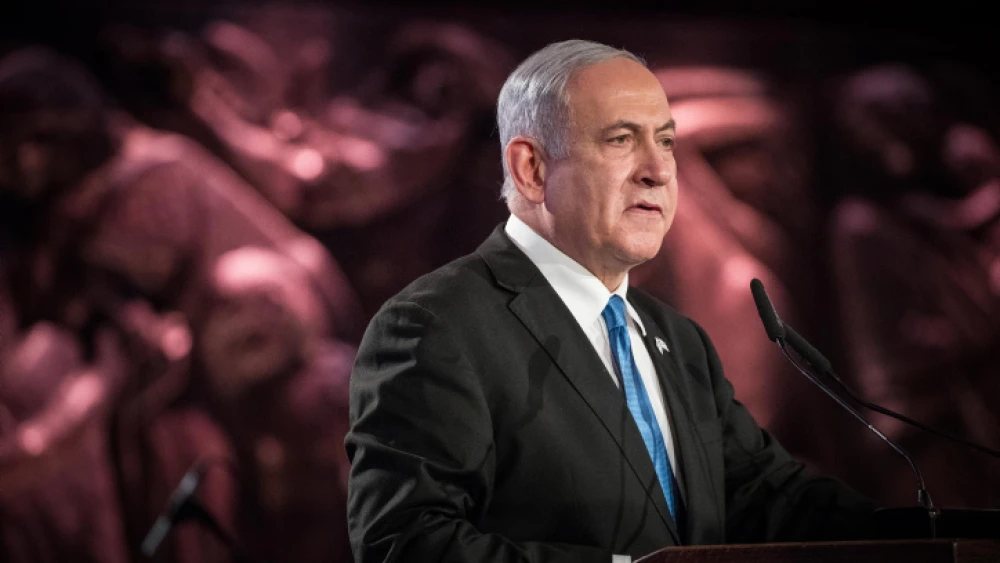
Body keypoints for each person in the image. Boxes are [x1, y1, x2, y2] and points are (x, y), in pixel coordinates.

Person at [345, 39, 875, 563]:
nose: (660, 170)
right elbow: (406, 542)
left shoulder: (678, 338)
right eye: (621, 139)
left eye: (666, 142)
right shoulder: (434, 326)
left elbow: (770, 499)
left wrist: (939, 528)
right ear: (531, 169)